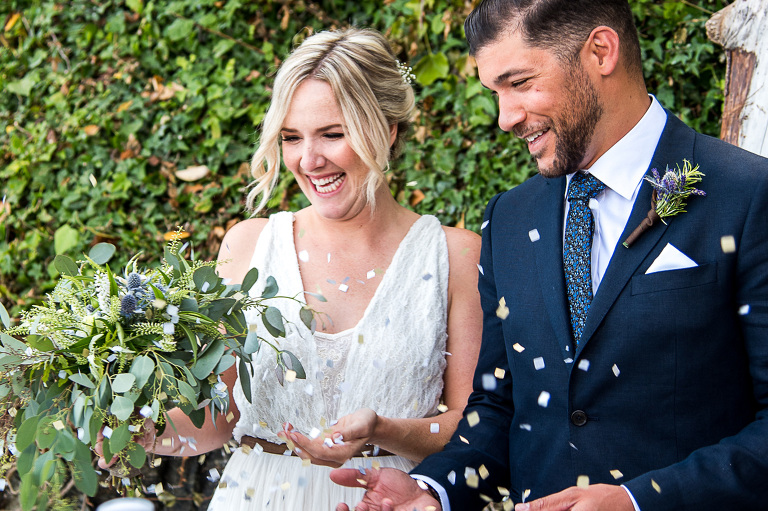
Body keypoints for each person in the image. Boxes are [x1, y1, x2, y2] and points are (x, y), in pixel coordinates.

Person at [331, 1, 768, 510]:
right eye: (494, 93)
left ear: (600, 52)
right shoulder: (509, 220)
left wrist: (636, 501)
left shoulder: (748, 195)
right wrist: (434, 490)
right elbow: (499, 408)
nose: (505, 118)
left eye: (519, 83)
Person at [97, 27, 482, 509]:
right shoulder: (248, 245)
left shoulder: (455, 256)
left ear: (386, 130)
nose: (309, 160)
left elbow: (474, 428)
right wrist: (143, 431)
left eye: (333, 134)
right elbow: (221, 415)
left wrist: (381, 431)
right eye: (291, 138)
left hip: (388, 499)